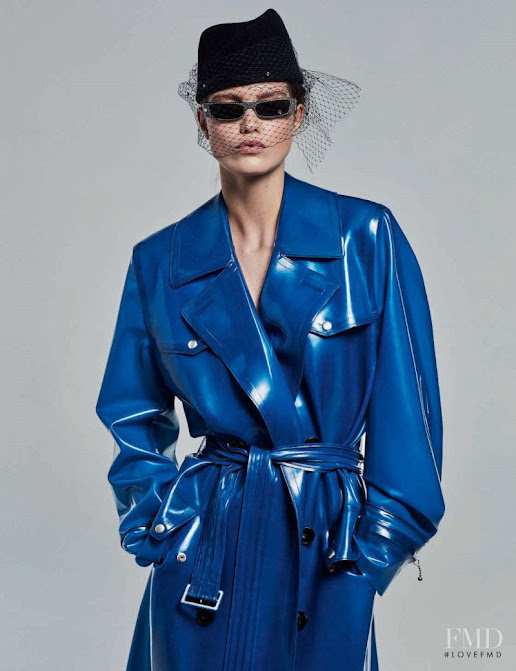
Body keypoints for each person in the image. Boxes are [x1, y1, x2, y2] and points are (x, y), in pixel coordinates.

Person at [95, 8, 445, 671]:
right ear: (203, 122)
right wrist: (163, 528)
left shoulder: (364, 239)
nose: (251, 124)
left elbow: (412, 424)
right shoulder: (160, 261)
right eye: (229, 109)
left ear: (300, 113)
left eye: (272, 105)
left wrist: (367, 562)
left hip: (329, 549)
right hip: (204, 553)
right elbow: (130, 410)